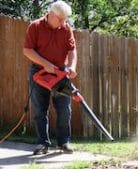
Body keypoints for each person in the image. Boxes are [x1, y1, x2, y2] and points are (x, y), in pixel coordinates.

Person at [23, 0, 77, 155]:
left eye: (64, 19)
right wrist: (45, 64)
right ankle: (42, 144)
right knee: (40, 109)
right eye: (60, 19)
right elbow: (27, 50)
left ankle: (63, 142)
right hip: (39, 72)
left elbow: (72, 50)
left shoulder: (66, 28)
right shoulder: (35, 26)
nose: (62, 22)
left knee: (64, 109)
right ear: (51, 14)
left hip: (60, 72)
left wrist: (72, 66)